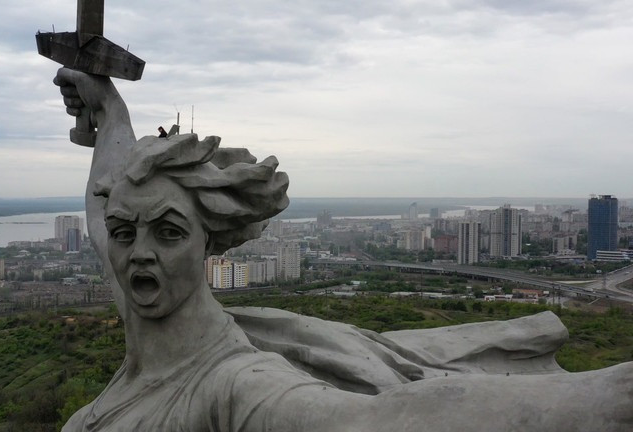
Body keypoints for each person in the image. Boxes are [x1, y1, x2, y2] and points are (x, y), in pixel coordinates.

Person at [53, 68, 633, 431]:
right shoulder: (142, 307)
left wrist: (600, 399)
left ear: (211, 237)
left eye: (169, 232)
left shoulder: (236, 385)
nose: (137, 255)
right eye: (127, 233)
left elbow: (377, 422)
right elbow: (104, 214)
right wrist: (109, 113)